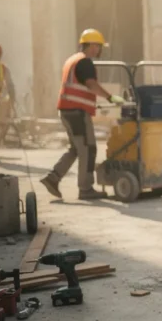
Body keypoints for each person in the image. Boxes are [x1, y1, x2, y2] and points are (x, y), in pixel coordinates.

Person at [40, 29, 125, 200]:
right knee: (88, 148)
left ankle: (53, 178)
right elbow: (91, 84)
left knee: (76, 148)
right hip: (76, 112)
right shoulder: (85, 62)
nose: (100, 50)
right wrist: (110, 97)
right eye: (99, 46)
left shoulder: (72, 60)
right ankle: (85, 189)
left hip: (67, 111)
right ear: (93, 46)